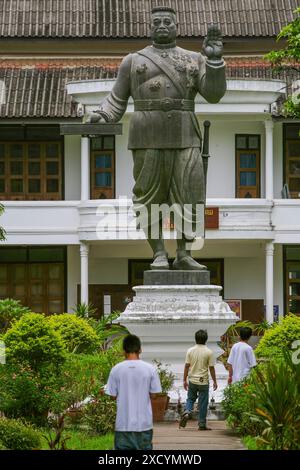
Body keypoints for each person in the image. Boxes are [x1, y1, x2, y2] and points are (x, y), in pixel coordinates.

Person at [85, 6, 226, 271]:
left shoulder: (194, 59)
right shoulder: (133, 61)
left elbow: (214, 94)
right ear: (150, 27)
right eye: (157, 22)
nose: (162, 25)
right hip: (146, 135)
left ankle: (184, 252)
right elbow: (116, 100)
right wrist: (102, 116)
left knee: (191, 195)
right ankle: (159, 251)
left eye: (167, 22)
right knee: (149, 197)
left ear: (177, 26)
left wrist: (215, 62)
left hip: (185, 133)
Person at [105, 334, 162, 450]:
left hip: (123, 425)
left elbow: (112, 396)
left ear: (124, 350)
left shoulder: (116, 369)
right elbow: (154, 395)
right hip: (144, 424)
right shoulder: (150, 369)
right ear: (140, 350)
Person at [179, 329, 217, 430]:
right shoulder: (209, 352)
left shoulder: (190, 351)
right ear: (206, 339)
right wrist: (215, 381)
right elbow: (211, 368)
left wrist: (184, 380)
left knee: (190, 399)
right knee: (203, 403)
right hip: (203, 381)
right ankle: (201, 424)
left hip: (192, 380)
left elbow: (187, 366)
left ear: (195, 339)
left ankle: (187, 411)